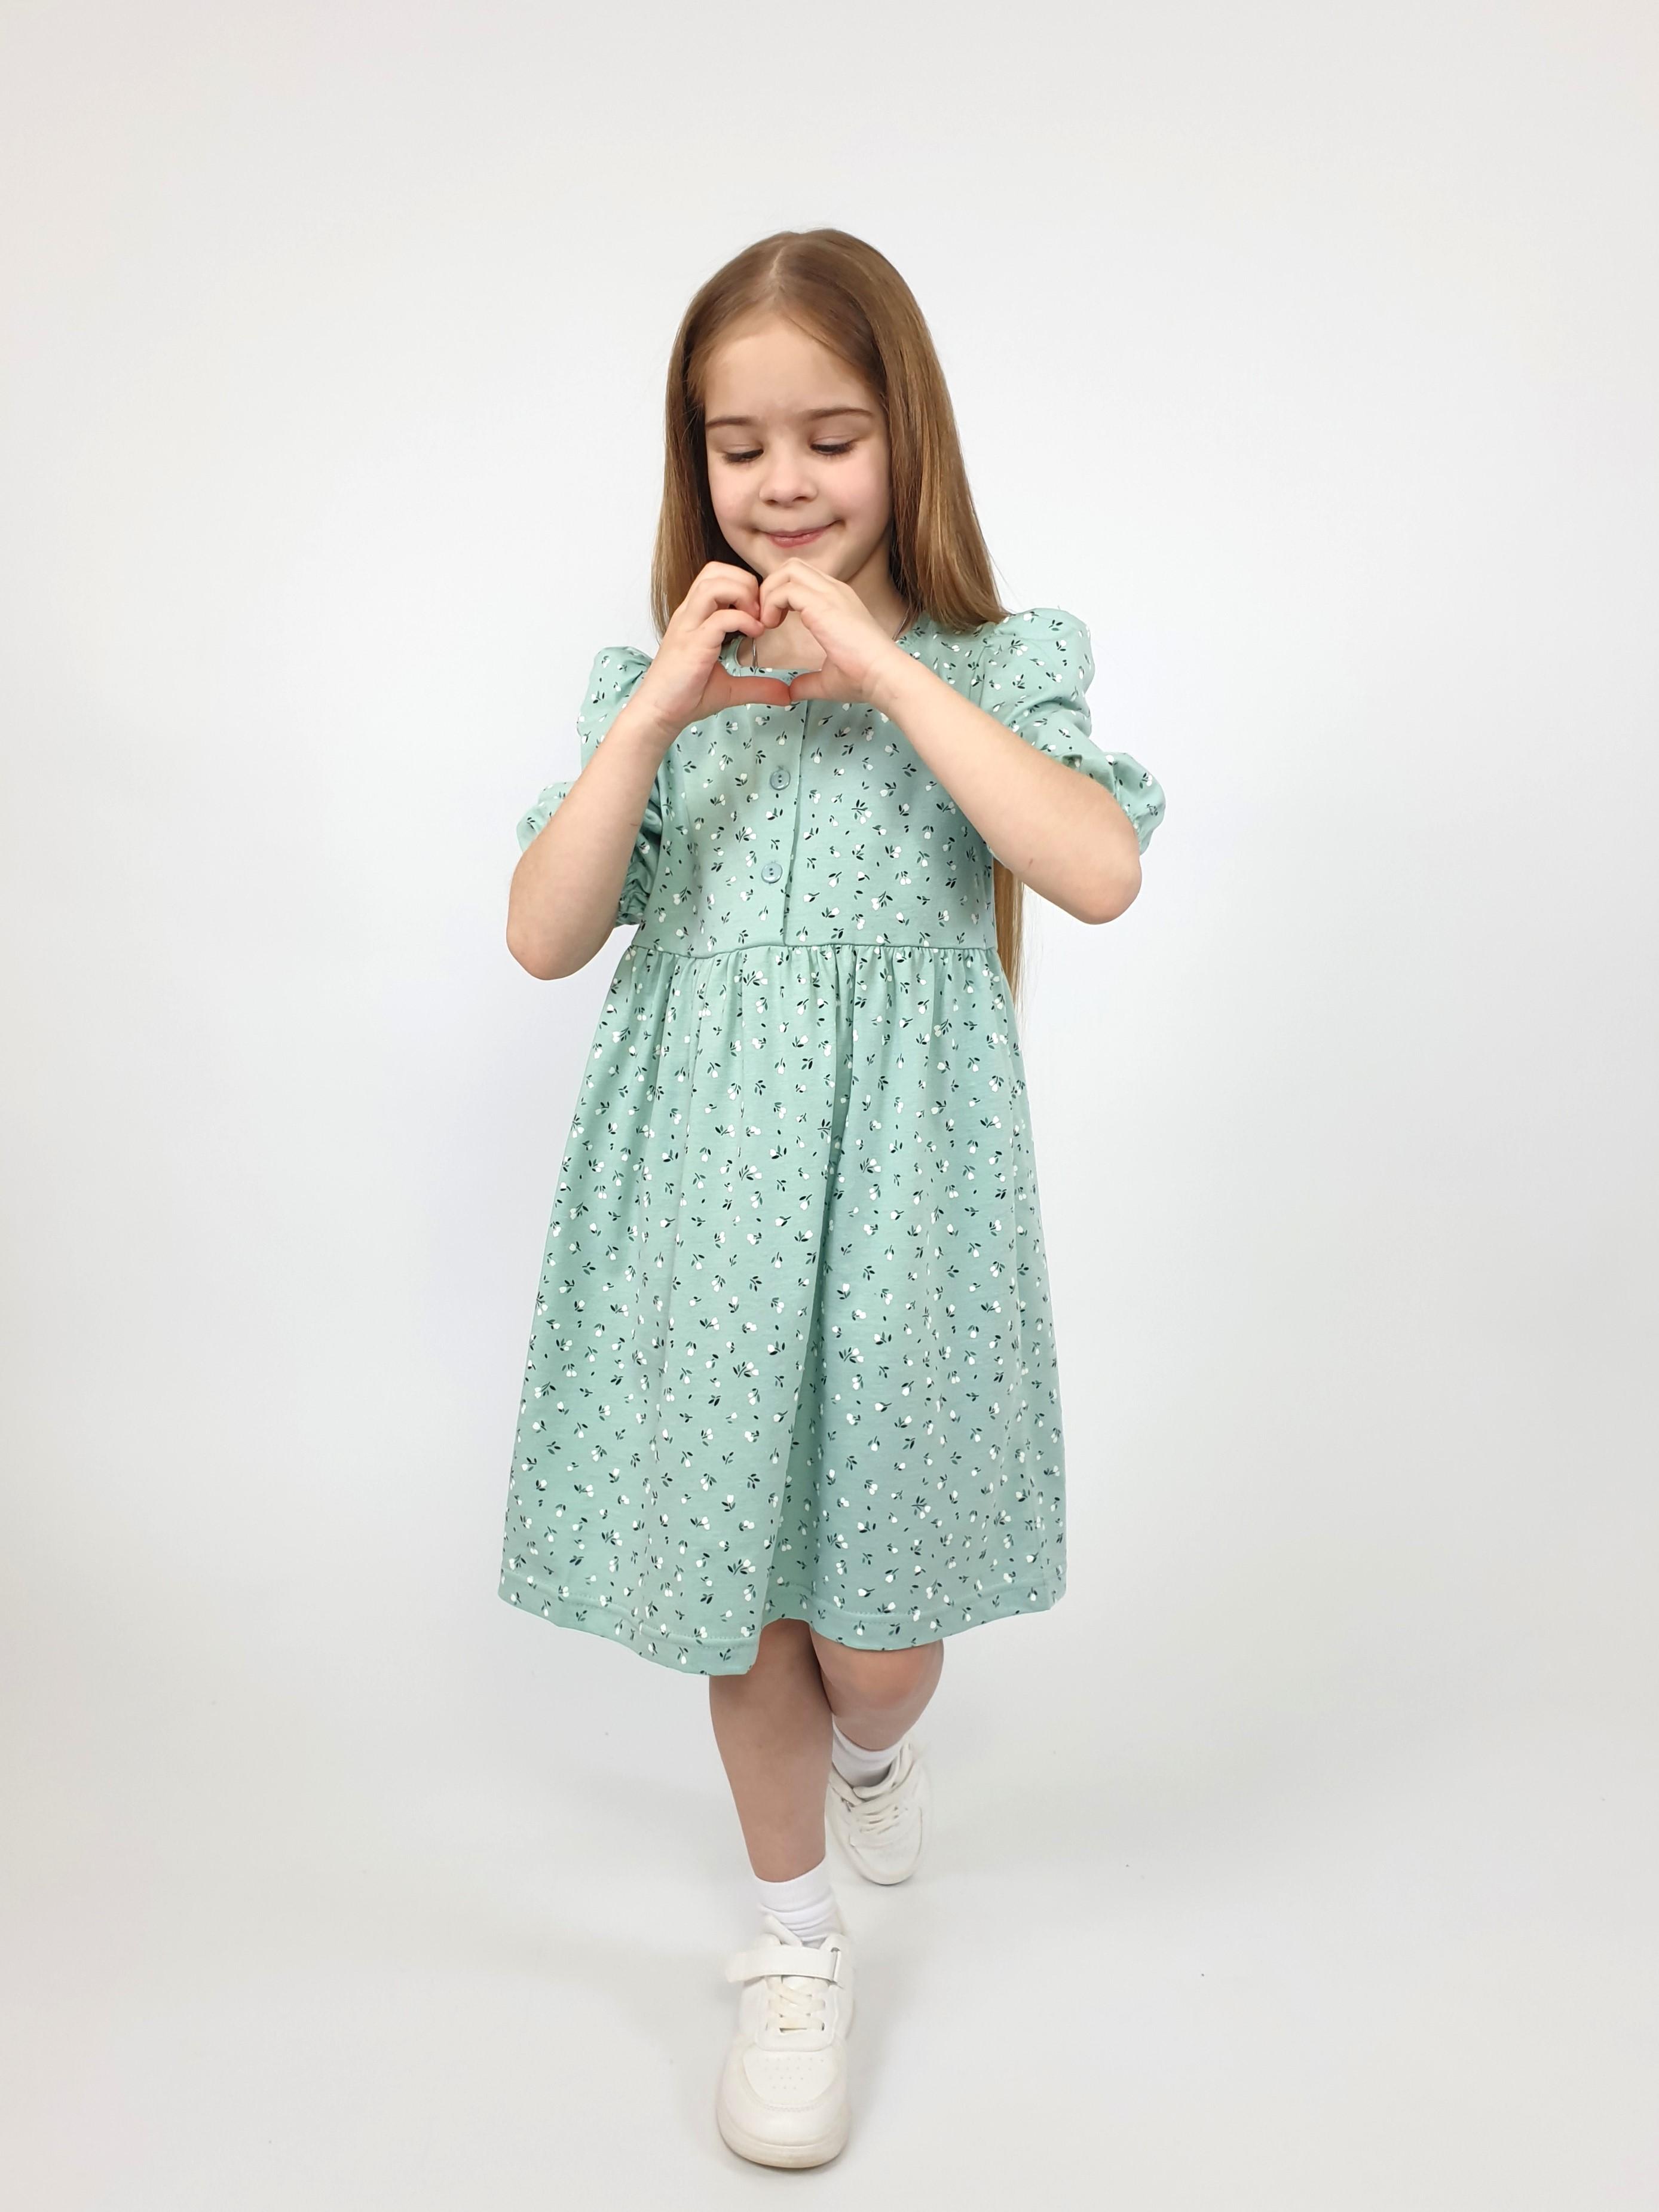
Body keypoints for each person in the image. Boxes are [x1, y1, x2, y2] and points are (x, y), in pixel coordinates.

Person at [500, 228, 1166, 2168]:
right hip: (702, 1209)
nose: (784, 484)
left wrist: (877, 662)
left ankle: (876, 1750)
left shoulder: (997, 670)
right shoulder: (662, 691)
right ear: (694, 463)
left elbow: (1096, 869)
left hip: (902, 1212)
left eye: (831, 438)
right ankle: (791, 1943)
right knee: (748, 1609)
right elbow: (544, 933)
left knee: (872, 1639)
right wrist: (654, 718)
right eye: (740, 448)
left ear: (907, 439)